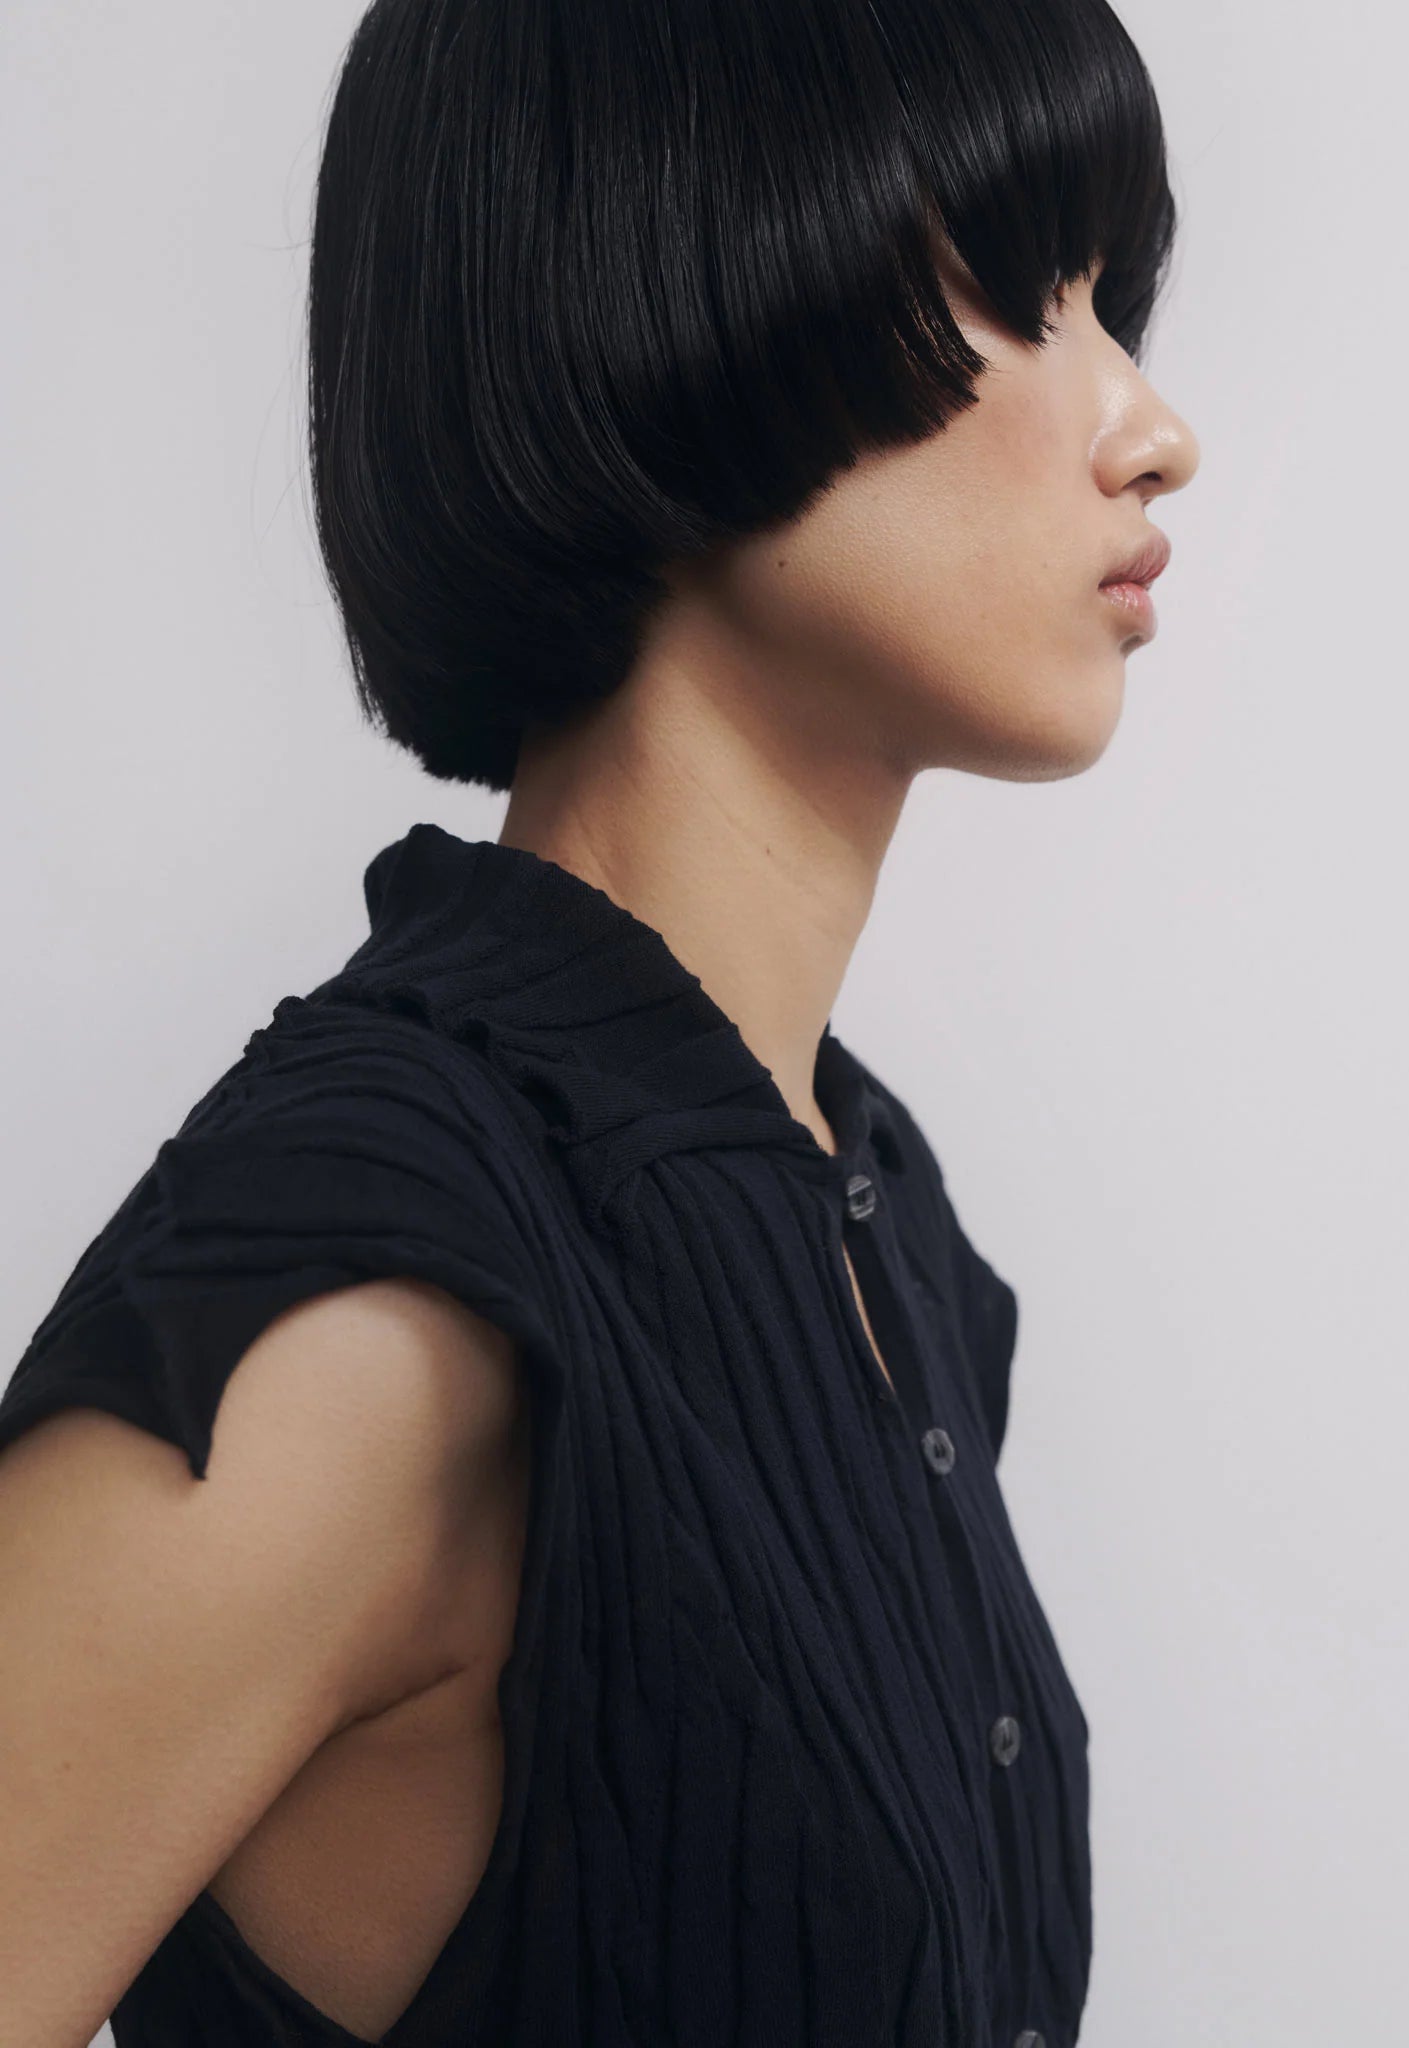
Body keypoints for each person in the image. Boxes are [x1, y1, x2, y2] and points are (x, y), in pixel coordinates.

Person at [0, 0, 1199, 2042]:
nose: (1152, 423)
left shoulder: (880, 1226)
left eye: (1111, 299)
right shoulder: (378, 1283)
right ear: (673, 285)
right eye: (1018, 293)